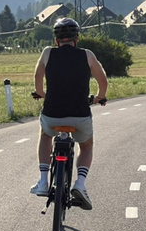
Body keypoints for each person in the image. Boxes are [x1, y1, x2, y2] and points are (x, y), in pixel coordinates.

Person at [30, 17, 108, 210]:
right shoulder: (87, 55)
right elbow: (102, 80)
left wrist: (41, 93)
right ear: (77, 38)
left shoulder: (47, 53)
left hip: (52, 113)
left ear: (56, 40)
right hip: (79, 114)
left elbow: (38, 75)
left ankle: (42, 181)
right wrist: (100, 96)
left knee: (46, 135)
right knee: (86, 145)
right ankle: (80, 183)